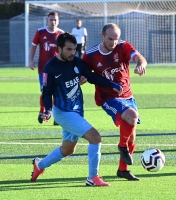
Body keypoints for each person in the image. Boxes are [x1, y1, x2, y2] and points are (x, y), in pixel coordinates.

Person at [30, 32, 123, 187]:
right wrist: (47, 110)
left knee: (67, 150)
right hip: (63, 113)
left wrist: (112, 84)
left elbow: (92, 77)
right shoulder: (50, 68)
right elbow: (46, 93)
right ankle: (93, 178)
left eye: (74, 49)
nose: (72, 53)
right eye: (68, 49)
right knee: (95, 137)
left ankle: (40, 165)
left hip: (77, 110)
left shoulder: (77, 62)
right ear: (59, 48)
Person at [82, 23, 147, 181]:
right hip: (108, 98)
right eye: (110, 39)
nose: (113, 43)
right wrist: (81, 77)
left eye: (116, 39)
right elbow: (82, 71)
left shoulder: (123, 46)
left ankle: (123, 170)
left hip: (128, 96)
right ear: (102, 36)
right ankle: (122, 146)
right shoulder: (90, 55)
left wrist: (141, 64)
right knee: (131, 116)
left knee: (131, 137)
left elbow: (139, 58)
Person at [29, 11, 64, 125]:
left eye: (55, 20)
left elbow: (65, 51)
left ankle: (55, 116)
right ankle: (41, 111)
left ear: (58, 21)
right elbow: (33, 46)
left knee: (57, 92)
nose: (53, 22)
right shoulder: (40, 32)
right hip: (43, 69)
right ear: (47, 20)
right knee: (45, 91)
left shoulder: (62, 34)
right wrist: (31, 60)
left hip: (58, 69)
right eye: (51, 20)